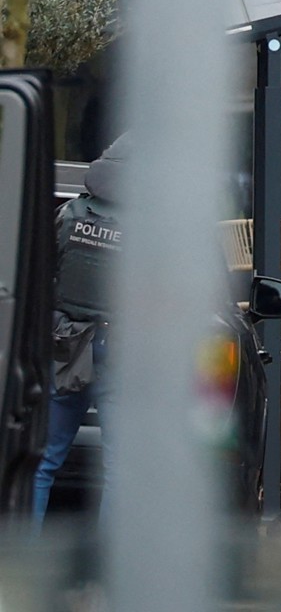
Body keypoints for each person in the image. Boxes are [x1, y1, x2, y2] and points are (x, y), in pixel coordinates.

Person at [33, 133, 131, 530]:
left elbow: (42, 275)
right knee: (118, 468)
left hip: (66, 346)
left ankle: (27, 551)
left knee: (44, 459)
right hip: (118, 348)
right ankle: (105, 561)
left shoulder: (69, 214)